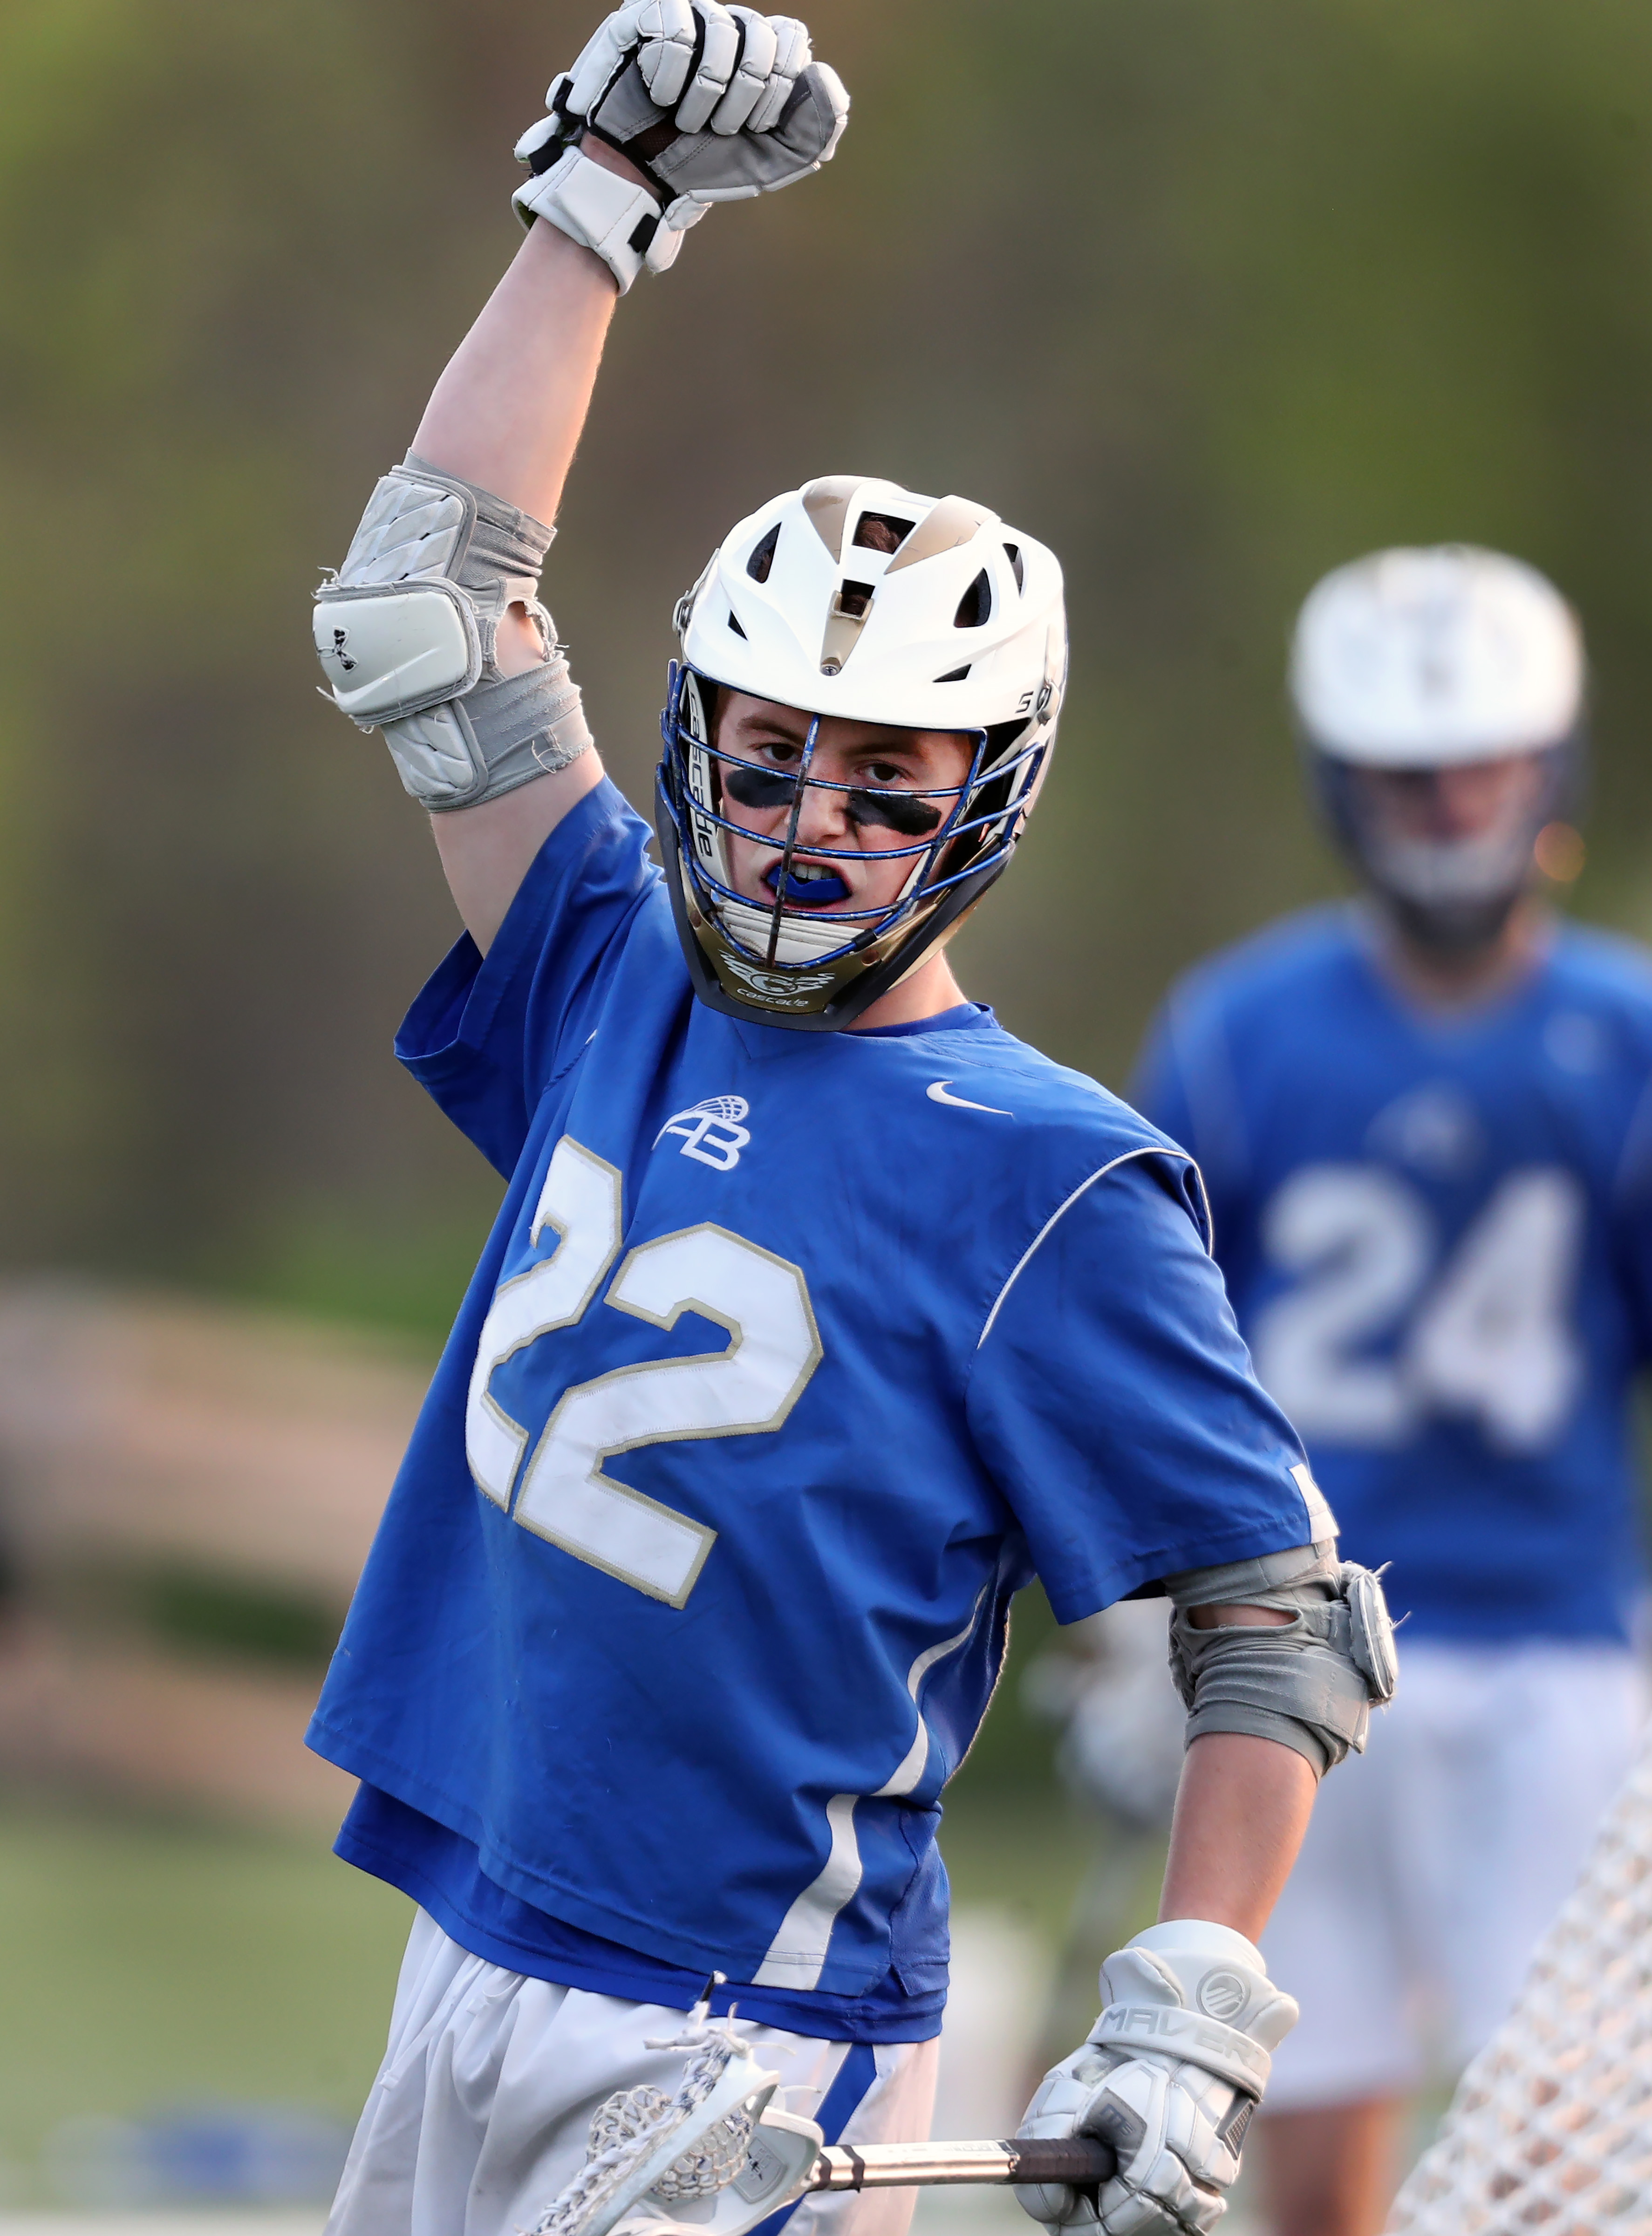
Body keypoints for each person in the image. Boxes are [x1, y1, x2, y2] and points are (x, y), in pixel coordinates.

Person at [303, 12, 1393, 2235]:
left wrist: (1189, 2004)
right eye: (775, 755)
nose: (810, 827)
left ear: (981, 798)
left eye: (886, 781)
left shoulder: (1041, 1175)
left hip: (743, 2031)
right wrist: (595, 201)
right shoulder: (614, 958)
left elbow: (1278, 1616)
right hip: (476, 1937)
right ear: (696, 731)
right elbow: (424, 614)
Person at [1130, 545, 1652, 2236]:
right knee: (1310, 2101)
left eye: (1478, 768)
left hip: (1548, 1642)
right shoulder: (1241, 1034)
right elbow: (1162, 1354)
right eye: (1408, 777)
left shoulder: (1623, 1040)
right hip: (1294, 1639)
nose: (1446, 810)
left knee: (1556, 2134)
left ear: (1548, 765)